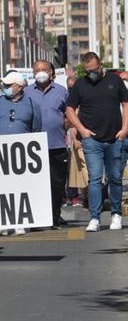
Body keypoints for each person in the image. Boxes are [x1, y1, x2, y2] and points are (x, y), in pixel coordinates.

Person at [65, 52, 128, 232]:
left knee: (115, 177)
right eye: (88, 71)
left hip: (115, 138)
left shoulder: (114, 81)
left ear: (100, 66)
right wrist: (81, 130)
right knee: (94, 179)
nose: (91, 73)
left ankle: (116, 214)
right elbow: (70, 109)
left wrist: (124, 129)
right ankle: (95, 217)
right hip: (92, 139)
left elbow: (126, 103)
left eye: (94, 70)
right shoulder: (80, 85)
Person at [0, 71, 42, 236]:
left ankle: (20, 221)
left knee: (21, 188)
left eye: (9, 85)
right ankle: (2, 222)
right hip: (0, 152)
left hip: (22, 153)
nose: (5, 87)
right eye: (5, 84)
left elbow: (36, 127)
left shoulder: (31, 104)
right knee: (1, 188)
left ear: (19, 87)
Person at [24, 60, 70, 228]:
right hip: (33, 148)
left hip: (56, 145)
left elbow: (69, 114)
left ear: (51, 73)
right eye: (37, 70)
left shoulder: (62, 92)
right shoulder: (26, 92)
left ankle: (54, 217)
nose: (40, 73)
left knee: (57, 184)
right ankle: (36, 219)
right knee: (36, 185)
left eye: (44, 70)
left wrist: (62, 127)